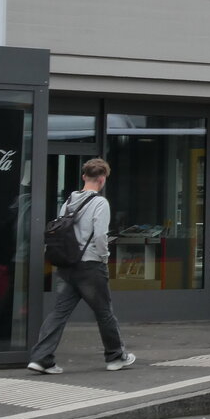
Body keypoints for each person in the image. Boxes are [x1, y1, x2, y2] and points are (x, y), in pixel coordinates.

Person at [27, 158, 135, 374]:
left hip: (68, 265)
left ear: (84, 177)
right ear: (102, 179)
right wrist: (104, 257)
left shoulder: (68, 202)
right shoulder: (100, 203)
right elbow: (101, 235)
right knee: (104, 312)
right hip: (90, 266)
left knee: (59, 312)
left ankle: (41, 358)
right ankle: (115, 356)